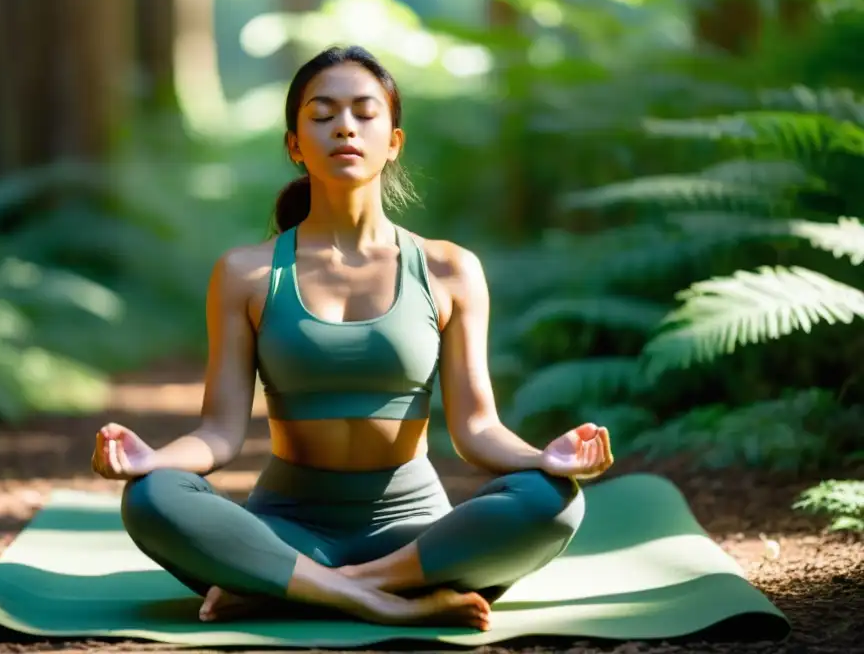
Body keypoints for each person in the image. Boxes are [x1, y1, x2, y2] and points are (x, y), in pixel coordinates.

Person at [91, 45, 614, 631]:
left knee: (554, 500)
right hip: (287, 530)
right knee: (150, 499)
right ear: (295, 144)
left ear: (394, 140)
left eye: (365, 113)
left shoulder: (448, 269)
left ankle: (293, 589)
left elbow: (477, 430)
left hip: (414, 536)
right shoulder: (247, 273)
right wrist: (152, 460)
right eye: (322, 114)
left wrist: (543, 458)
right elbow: (218, 433)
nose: (344, 126)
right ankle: (384, 599)